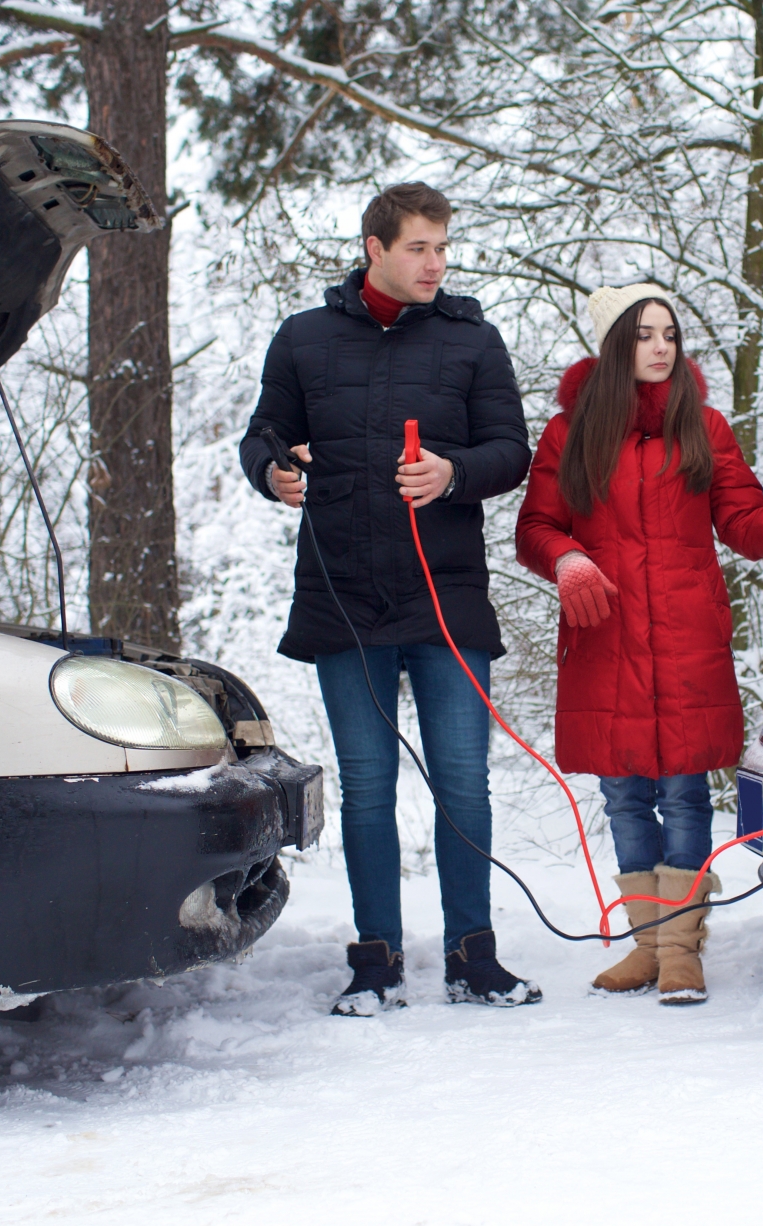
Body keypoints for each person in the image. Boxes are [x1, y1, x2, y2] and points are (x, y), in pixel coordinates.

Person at [514, 285, 763, 1004]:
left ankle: (681, 950)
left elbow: (743, 524)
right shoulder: (571, 434)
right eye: (644, 334)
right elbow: (535, 526)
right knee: (623, 794)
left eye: (671, 335)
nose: (660, 347)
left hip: (686, 637)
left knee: (685, 792)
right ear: (614, 345)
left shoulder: (703, 426)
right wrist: (566, 558)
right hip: (606, 636)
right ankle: (646, 948)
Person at [240, 182, 539, 1016]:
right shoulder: (303, 340)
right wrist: (272, 471)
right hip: (345, 599)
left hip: (447, 601)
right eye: (419, 247)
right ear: (374, 248)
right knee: (367, 788)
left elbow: (511, 452)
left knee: (464, 785)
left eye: (443, 247)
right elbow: (261, 435)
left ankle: (472, 958)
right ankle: (375, 963)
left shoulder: (473, 340)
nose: (436, 263)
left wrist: (453, 473)